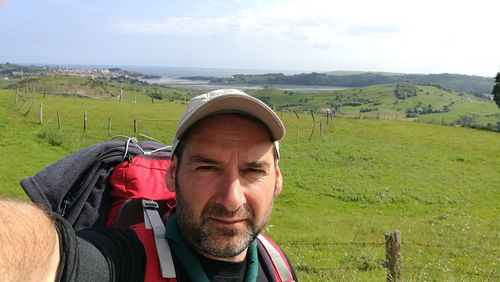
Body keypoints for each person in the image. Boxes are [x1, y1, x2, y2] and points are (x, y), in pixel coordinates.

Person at [0, 89, 297, 281]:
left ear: (277, 179)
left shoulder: (278, 268)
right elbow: (54, 257)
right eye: (207, 168)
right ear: (172, 174)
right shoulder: (125, 261)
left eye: (253, 170)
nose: (232, 199)